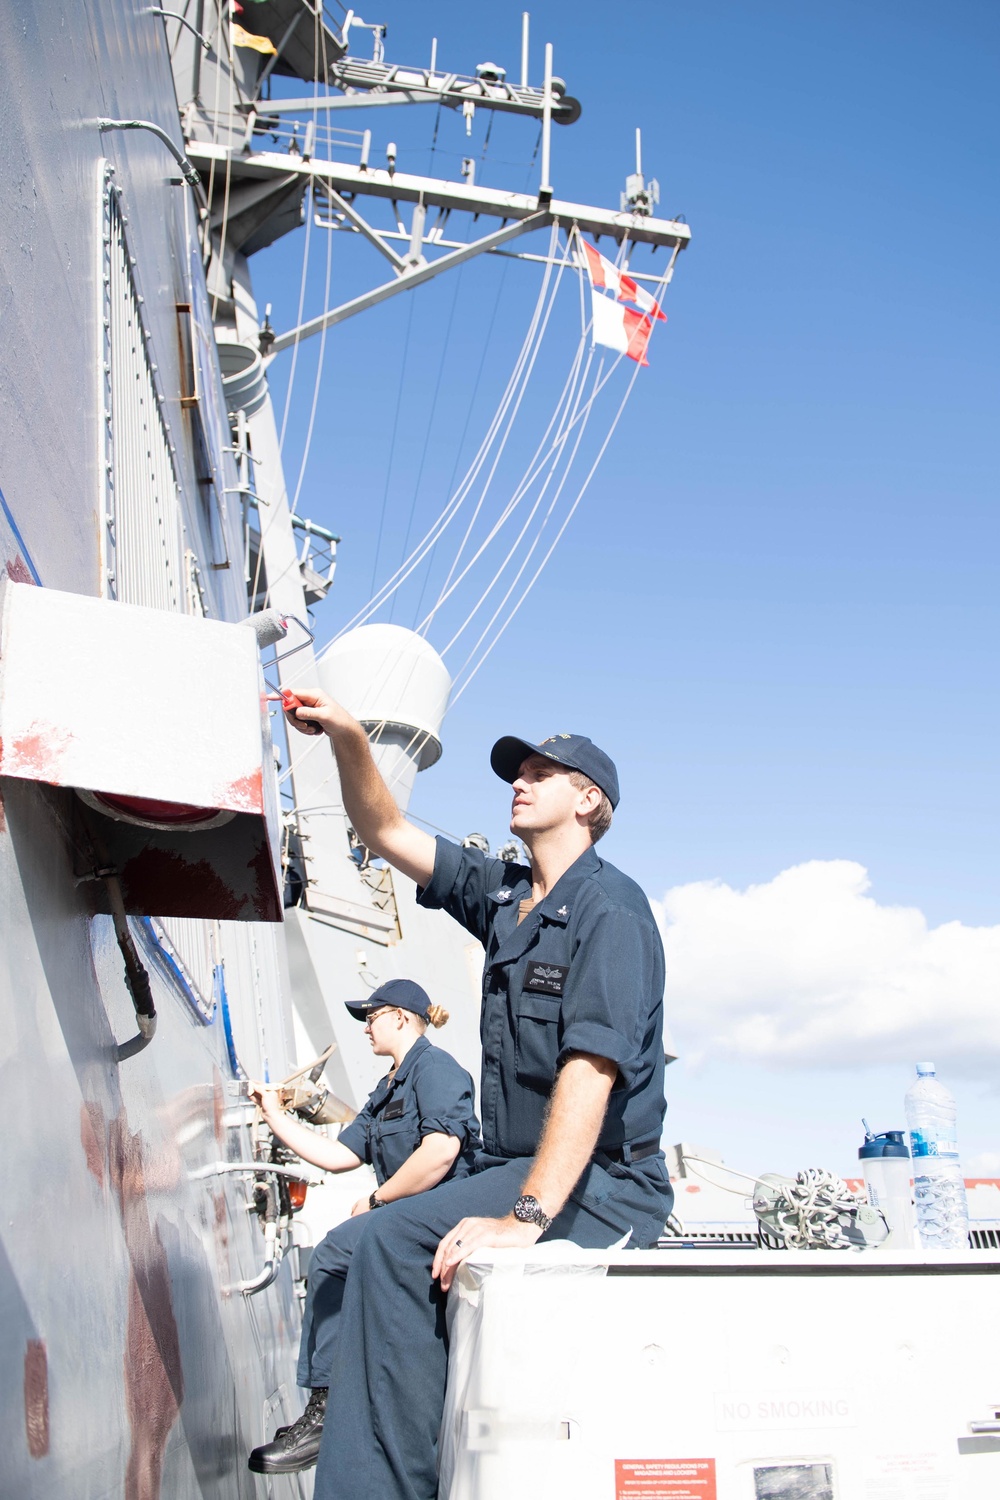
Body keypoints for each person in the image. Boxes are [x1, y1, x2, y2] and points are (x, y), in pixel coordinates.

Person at [284, 691, 673, 1500]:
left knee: (391, 1246)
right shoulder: (503, 896)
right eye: (516, 772)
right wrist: (352, 737)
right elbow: (385, 829)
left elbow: (590, 1073)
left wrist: (522, 1218)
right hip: (518, 1162)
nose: (519, 783)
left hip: (603, 1183)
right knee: (354, 1247)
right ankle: (365, 1431)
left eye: (542, 772)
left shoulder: (612, 911)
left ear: (589, 800)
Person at [246, 978, 481, 1477]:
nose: (366, 1028)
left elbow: (441, 1152)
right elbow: (338, 1156)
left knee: (334, 1252)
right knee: (347, 1251)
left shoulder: (435, 1068)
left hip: (443, 1213)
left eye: (372, 1017)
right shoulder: (386, 1090)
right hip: (404, 1219)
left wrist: (377, 1199)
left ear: (401, 1017)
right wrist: (273, 1116)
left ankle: (325, 1409)